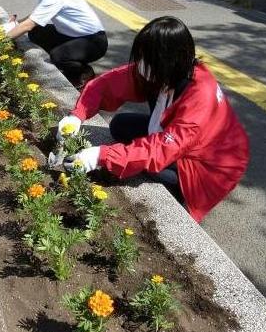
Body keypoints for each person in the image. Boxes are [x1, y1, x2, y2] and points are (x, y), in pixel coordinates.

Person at [58, 17, 250, 223]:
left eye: (146, 60)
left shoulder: (200, 95)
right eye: (140, 57)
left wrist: (101, 156)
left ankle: (180, 196)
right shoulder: (166, 71)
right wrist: (77, 116)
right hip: (180, 138)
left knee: (149, 167)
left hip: (211, 163)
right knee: (120, 125)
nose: (140, 66)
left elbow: (159, 150)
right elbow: (107, 84)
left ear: (169, 60)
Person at [3, 0, 108, 89]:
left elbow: (29, 24)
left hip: (93, 41)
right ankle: (69, 59)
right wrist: (17, 22)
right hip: (74, 35)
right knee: (36, 31)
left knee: (58, 56)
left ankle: (83, 72)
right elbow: (36, 17)